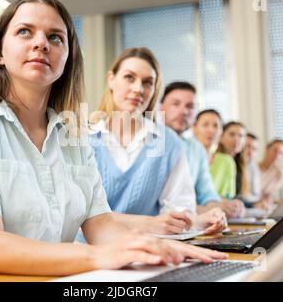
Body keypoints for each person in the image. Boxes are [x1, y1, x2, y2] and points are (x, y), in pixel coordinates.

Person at [0, 0, 227, 281]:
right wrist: (98, 256)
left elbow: (100, 224)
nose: (41, 43)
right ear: (0, 52)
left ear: (67, 59)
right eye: (25, 32)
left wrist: (156, 248)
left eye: (55, 38)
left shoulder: (73, 138)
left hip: (57, 278)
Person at [89, 48, 227, 236]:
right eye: (129, 77)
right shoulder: (82, 137)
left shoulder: (169, 142)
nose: (139, 89)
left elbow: (179, 206)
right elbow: (79, 214)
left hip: (148, 253)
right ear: (111, 79)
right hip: (86, 254)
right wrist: (148, 223)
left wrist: (197, 221)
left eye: (148, 83)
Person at [159, 82, 243, 218]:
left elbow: (207, 193)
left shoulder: (196, 149)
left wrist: (222, 206)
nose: (183, 111)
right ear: (161, 108)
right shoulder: (149, 143)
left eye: (190, 106)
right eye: (175, 104)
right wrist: (202, 210)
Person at [192, 109, 245, 218]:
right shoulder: (185, 156)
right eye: (205, 125)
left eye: (216, 126)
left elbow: (226, 196)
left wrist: (233, 206)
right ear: (194, 128)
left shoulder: (227, 161)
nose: (211, 130)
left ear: (221, 132)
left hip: (215, 215)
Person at [211, 121, 247, 204]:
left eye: (241, 136)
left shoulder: (240, 164)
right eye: (232, 134)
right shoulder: (214, 160)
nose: (237, 139)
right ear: (221, 137)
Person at [259, 139, 283, 208]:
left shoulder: (279, 174)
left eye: (281, 153)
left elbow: (270, 197)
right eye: (275, 151)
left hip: (267, 207)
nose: (277, 155)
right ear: (267, 150)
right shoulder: (253, 169)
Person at [239, 133, 262, 207]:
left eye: (254, 149)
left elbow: (256, 194)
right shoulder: (237, 165)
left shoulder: (253, 166)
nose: (250, 151)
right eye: (248, 146)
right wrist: (254, 204)